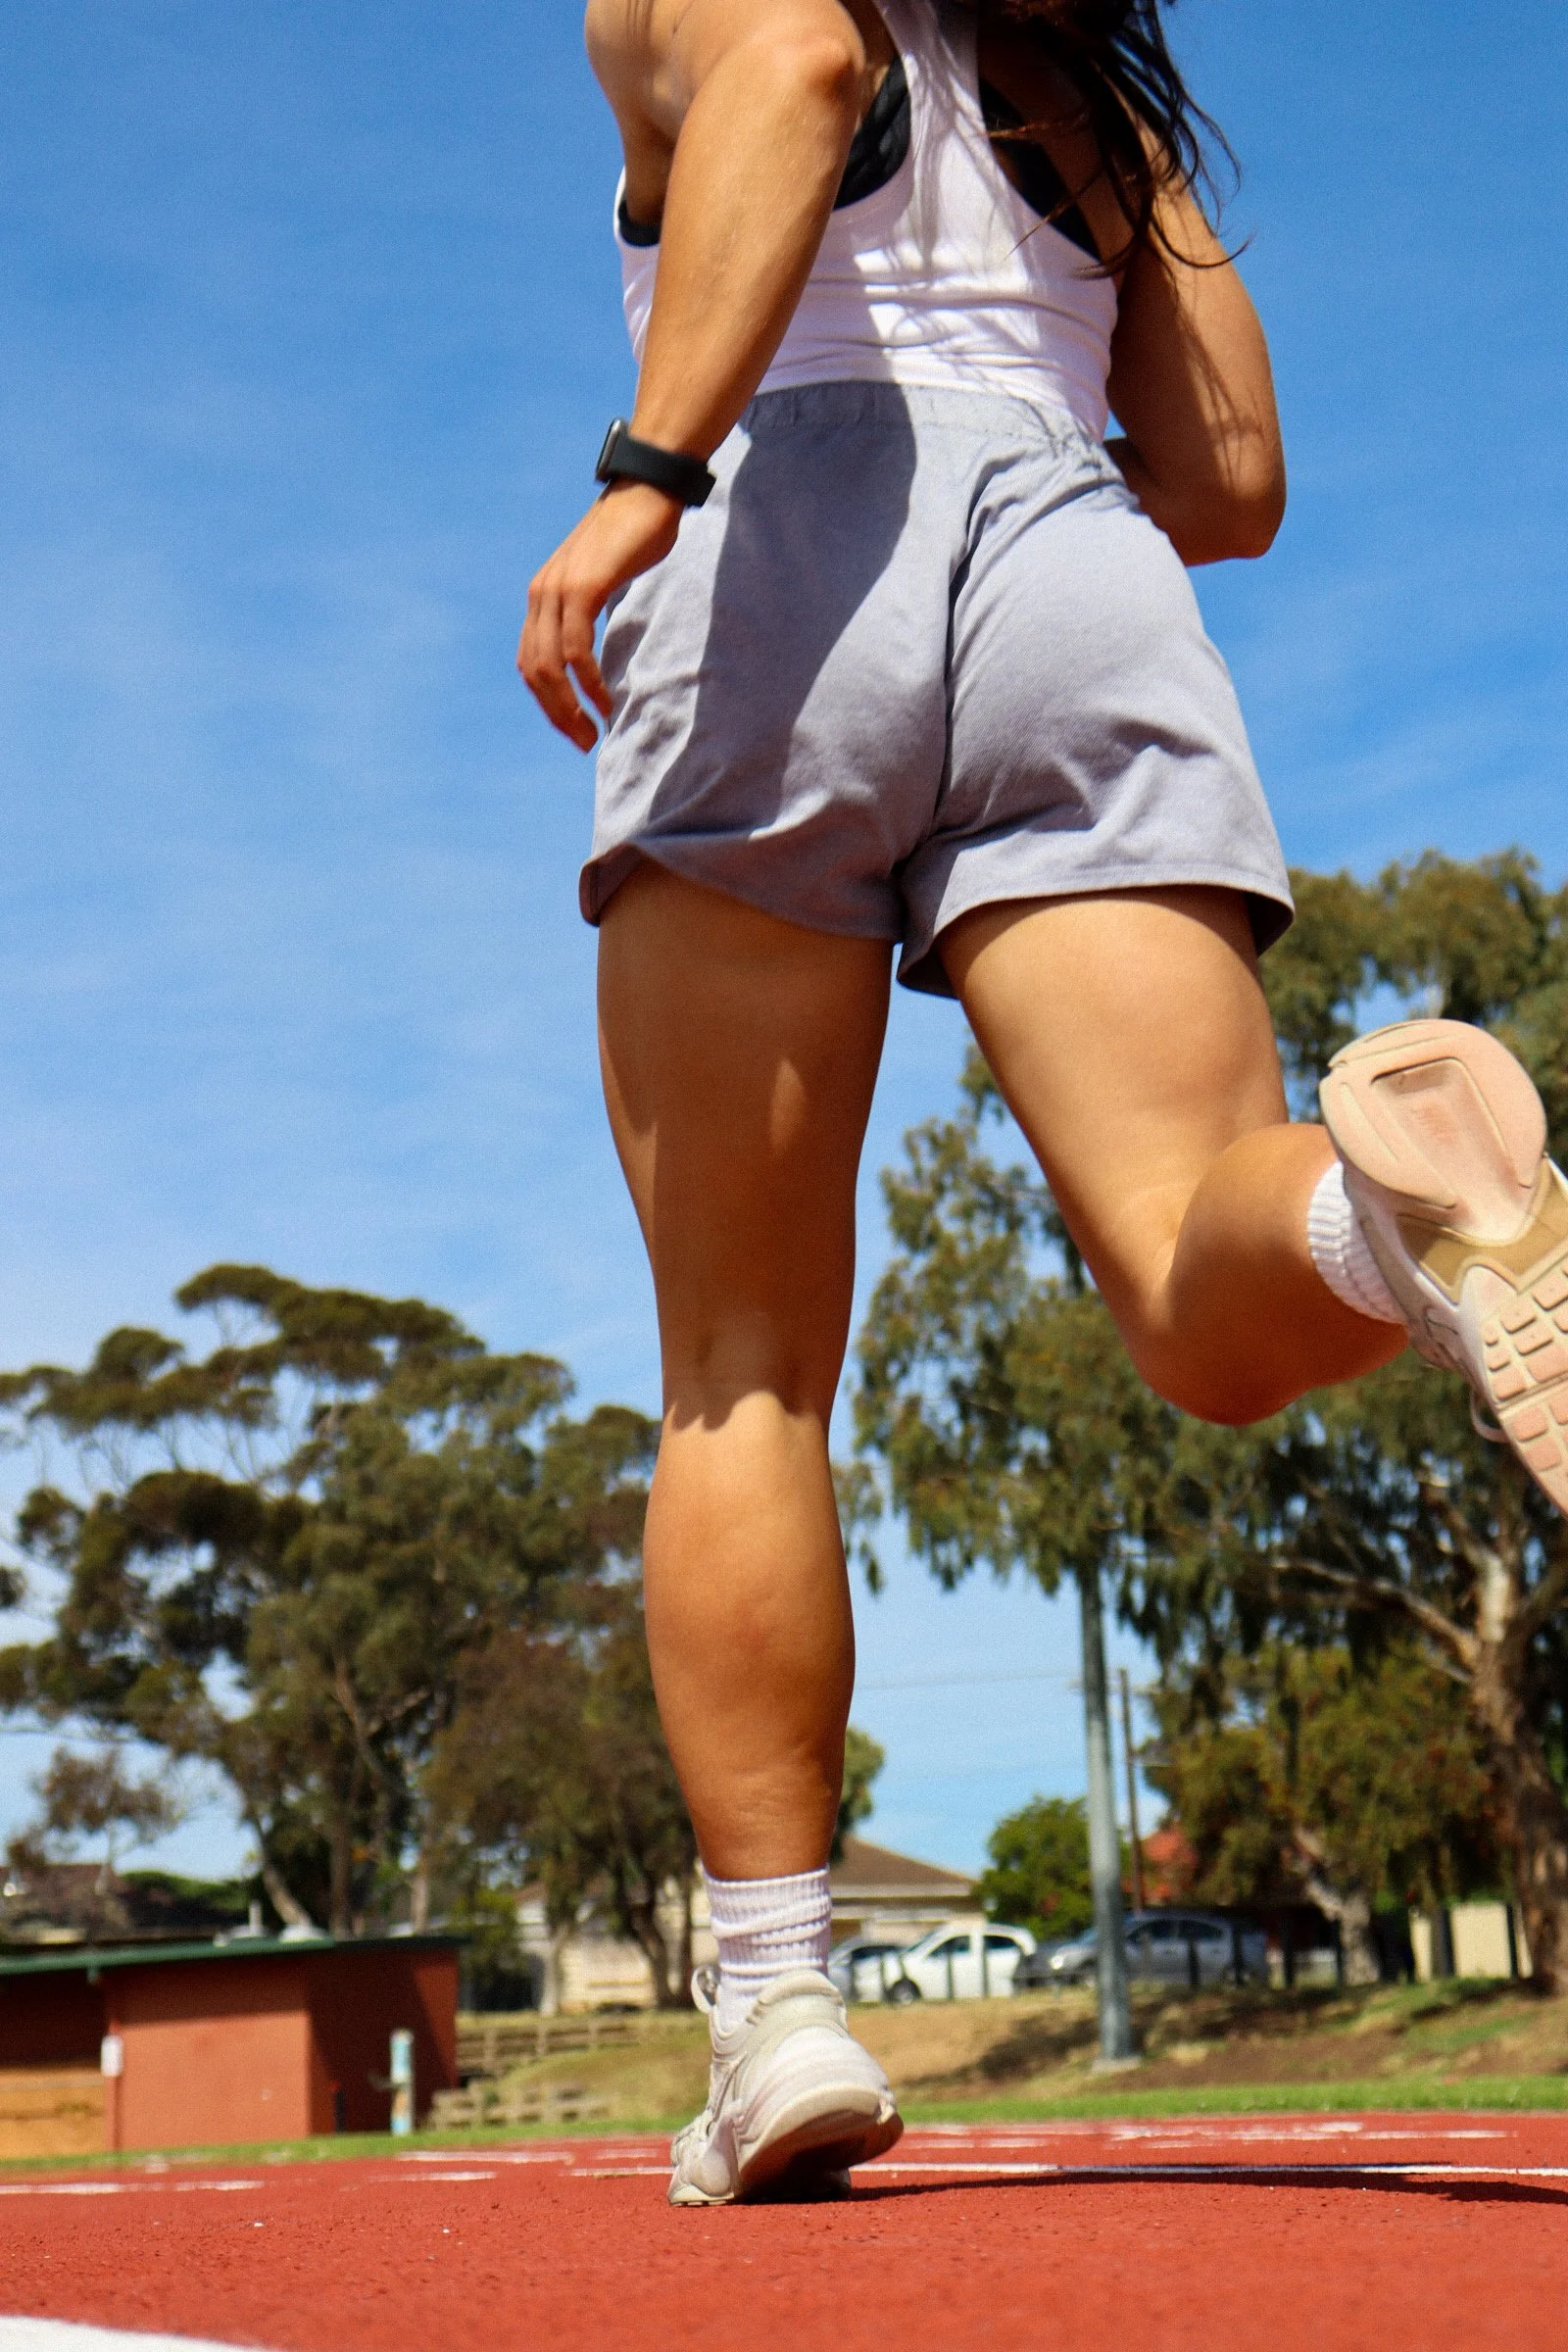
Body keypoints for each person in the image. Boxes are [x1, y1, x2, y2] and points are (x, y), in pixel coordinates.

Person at [520, 0, 1568, 2205]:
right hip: (1075, 567)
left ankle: (781, 2006)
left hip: (783, 532)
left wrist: (639, 484)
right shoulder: (1071, 77)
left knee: (738, 1375)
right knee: (1203, 1277)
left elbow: (799, 66)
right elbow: (1232, 484)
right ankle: (1400, 1225)